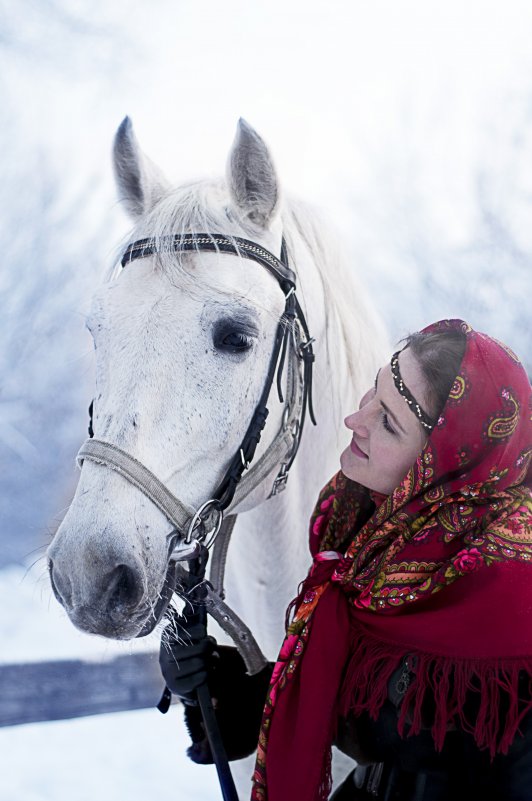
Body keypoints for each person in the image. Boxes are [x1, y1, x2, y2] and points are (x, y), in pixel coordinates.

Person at [160, 319, 532, 801]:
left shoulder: (510, 590)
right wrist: (214, 685)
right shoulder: (372, 527)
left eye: (389, 422)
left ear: (442, 465)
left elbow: (404, 730)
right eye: (374, 393)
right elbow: (345, 700)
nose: (356, 421)